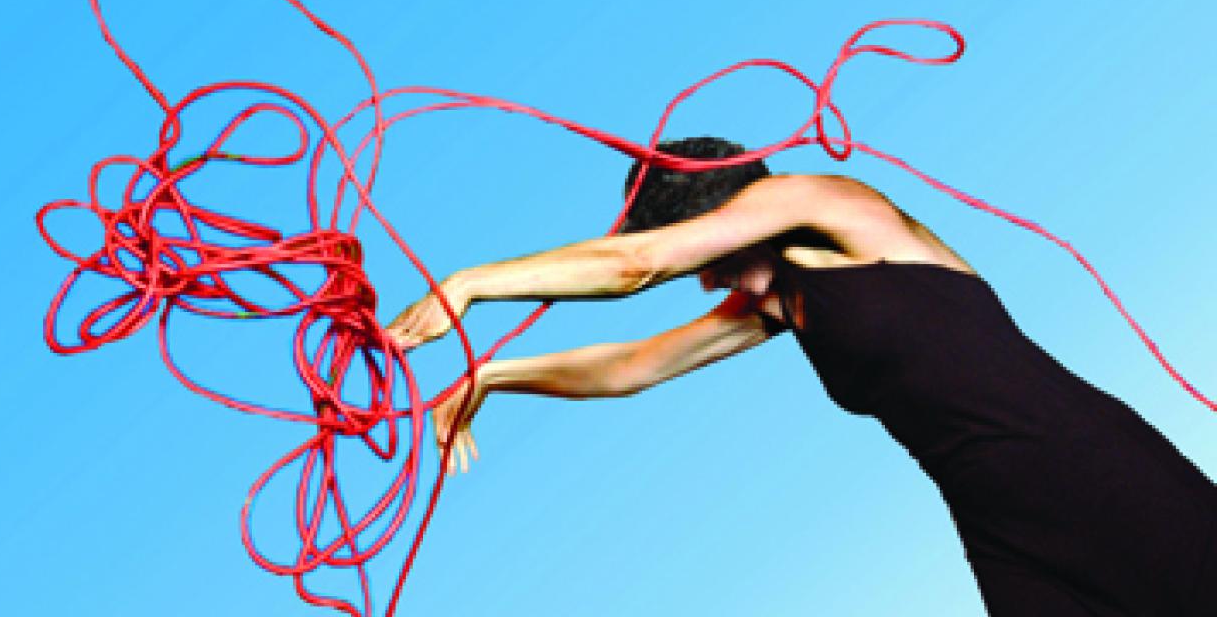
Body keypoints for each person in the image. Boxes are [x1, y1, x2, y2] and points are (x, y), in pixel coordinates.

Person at [385, 136, 1216, 616]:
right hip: (1000, 525)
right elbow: (634, 366)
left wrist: (473, 282)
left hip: (1090, 472)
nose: (705, 279)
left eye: (706, 254)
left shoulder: (827, 204)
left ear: (728, 216)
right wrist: (492, 375)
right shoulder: (779, 303)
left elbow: (637, 264)